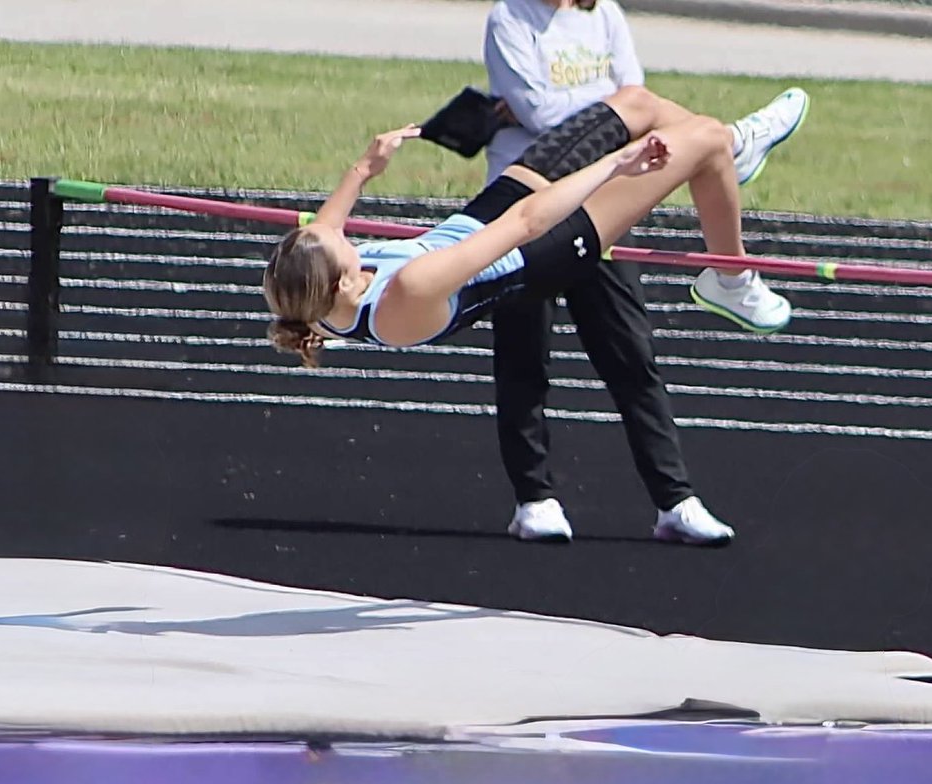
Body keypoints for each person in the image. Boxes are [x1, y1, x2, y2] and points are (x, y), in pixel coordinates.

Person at [262, 85, 799, 543]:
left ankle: (732, 154)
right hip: (541, 251)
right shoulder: (408, 292)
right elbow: (526, 222)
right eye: (334, 242)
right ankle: (732, 278)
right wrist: (614, 165)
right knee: (703, 140)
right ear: (344, 281)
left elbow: (325, 230)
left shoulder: (315, 296)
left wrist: (364, 167)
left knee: (636, 103)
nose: (336, 230)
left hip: (483, 217)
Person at [481, 0, 807, 544]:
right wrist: (617, 108)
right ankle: (534, 498)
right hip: (525, 206)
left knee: (632, 356)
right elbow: (544, 115)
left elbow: (633, 100)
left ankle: (674, 501)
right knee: (524, 357)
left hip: (604, 201)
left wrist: (615, 110)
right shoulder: (510, 18)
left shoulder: (603, 12)